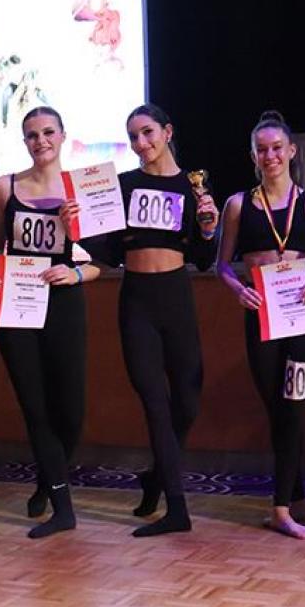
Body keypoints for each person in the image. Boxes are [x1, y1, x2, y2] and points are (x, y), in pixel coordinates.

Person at [96, 103, 219, 537]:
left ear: (167, 132)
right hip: (137, 301)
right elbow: (110, 252)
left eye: (147, 132)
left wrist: (208, 229)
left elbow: (203, 258)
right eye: (133, 136)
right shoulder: (124, 184)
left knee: (187, 400)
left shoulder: (193, 186)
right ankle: (176, 508)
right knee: (155, 403)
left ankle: (154, 477)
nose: (140, 143)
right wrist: (80, 230)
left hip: (176, 297)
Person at [0, 106, 100, 539]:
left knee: (71, 408)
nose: (41, 141)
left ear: (63, 135)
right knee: (35, 405)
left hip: (64, 303)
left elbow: (101, 261)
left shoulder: (83, 189)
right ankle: (62, 507)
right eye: (32, 135)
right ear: (24, 141)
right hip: (18, 304)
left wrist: (74, 273)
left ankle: (46, 480)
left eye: (48, 132)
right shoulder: (5, 187)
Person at [217, 110, 305, 540]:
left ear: (292, 151)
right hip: (261, 316)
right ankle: (295, 496)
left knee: (294, 407)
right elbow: (221, 265)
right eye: (262, 150)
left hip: (301, 317)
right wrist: (237, 288)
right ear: (253, 156)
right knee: (277, 409)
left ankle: (281, 508)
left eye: (277, 148)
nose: (270, 156)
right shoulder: (237, 205)